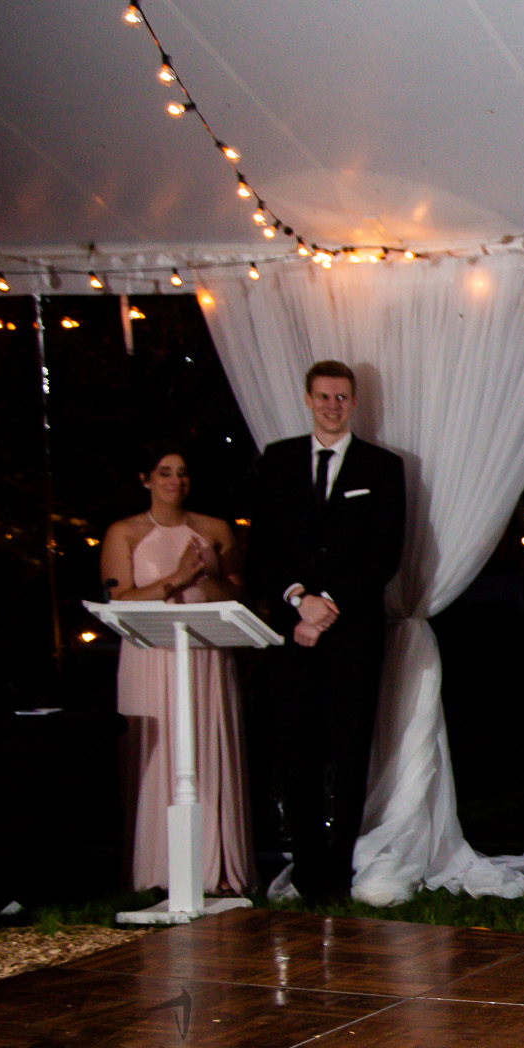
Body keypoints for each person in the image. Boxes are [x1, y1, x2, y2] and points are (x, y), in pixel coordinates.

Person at [246, 361, 405, 901]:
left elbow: (385, 552)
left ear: (354, 402)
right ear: (308, 399)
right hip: (291, 632)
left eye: (341, 397)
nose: (333, 405)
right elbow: (262, 544)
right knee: (296, 749)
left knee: (350, 748)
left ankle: (339, 871)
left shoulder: (382, 467)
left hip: (352, 633)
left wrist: (329, 606)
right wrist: (299, 600)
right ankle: (307, 867)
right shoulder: (278, 459)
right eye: (323, 397)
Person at [99, 443, 253, 894]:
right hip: (150, 655)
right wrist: (176, 579)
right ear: (146, 479)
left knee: (207, 744)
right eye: (164, 472)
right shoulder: (123, 532)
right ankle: (157, 870)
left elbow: (237, 595)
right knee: (159, 750)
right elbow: (120, 598)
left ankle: (216, 868)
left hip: (204, 653)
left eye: (182, 473)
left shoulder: (215, 529)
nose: (175, 481)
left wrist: (209, 574)